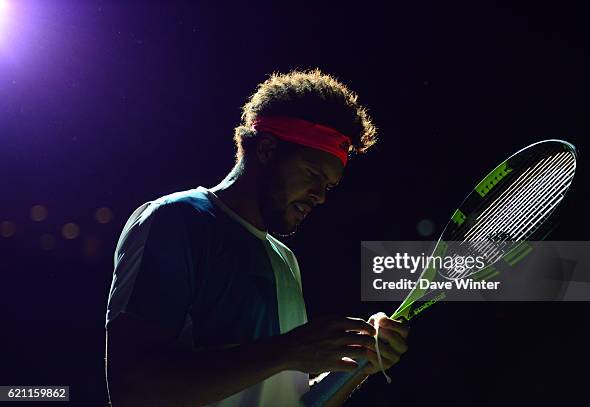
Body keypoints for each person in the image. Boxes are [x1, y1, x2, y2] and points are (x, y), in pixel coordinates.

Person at [105, 69, 410, 406]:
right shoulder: (175, 220)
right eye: (312, 174)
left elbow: (292, 401)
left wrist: (362, 361)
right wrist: (288, 350)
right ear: (266, 149)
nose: (320, 196)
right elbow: (131, 389)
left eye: (328, 186)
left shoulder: (286, 260)